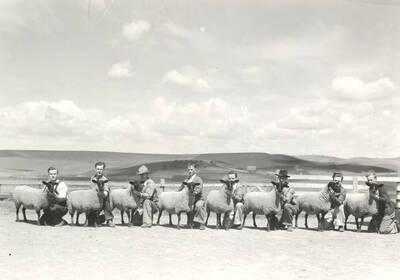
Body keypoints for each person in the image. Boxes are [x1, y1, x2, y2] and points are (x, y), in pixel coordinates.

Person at [178, 163, 206, 230]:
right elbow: (180, 189)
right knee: (185, 206)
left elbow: (198, 189)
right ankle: (190, 222)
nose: (190, 171)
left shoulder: (198, 179)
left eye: (191, 169)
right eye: (188, 170)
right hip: (189, 200)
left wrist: (193, 193)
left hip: (198, 199)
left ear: (195, 170)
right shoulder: (186, 180)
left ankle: (201, 223)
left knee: (199, 206)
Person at [91, 161, 114, 227]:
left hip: (102, 201)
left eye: (101, 169)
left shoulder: (105, 180)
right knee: (91, 222)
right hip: (93, 201)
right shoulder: (92, 178)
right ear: (95, 169)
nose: (99, 171)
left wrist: (98, 193)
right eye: (98, 169)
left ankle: (109, 219)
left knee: (106, 201)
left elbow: (105, 194)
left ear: (103, 170)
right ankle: (96, 219)